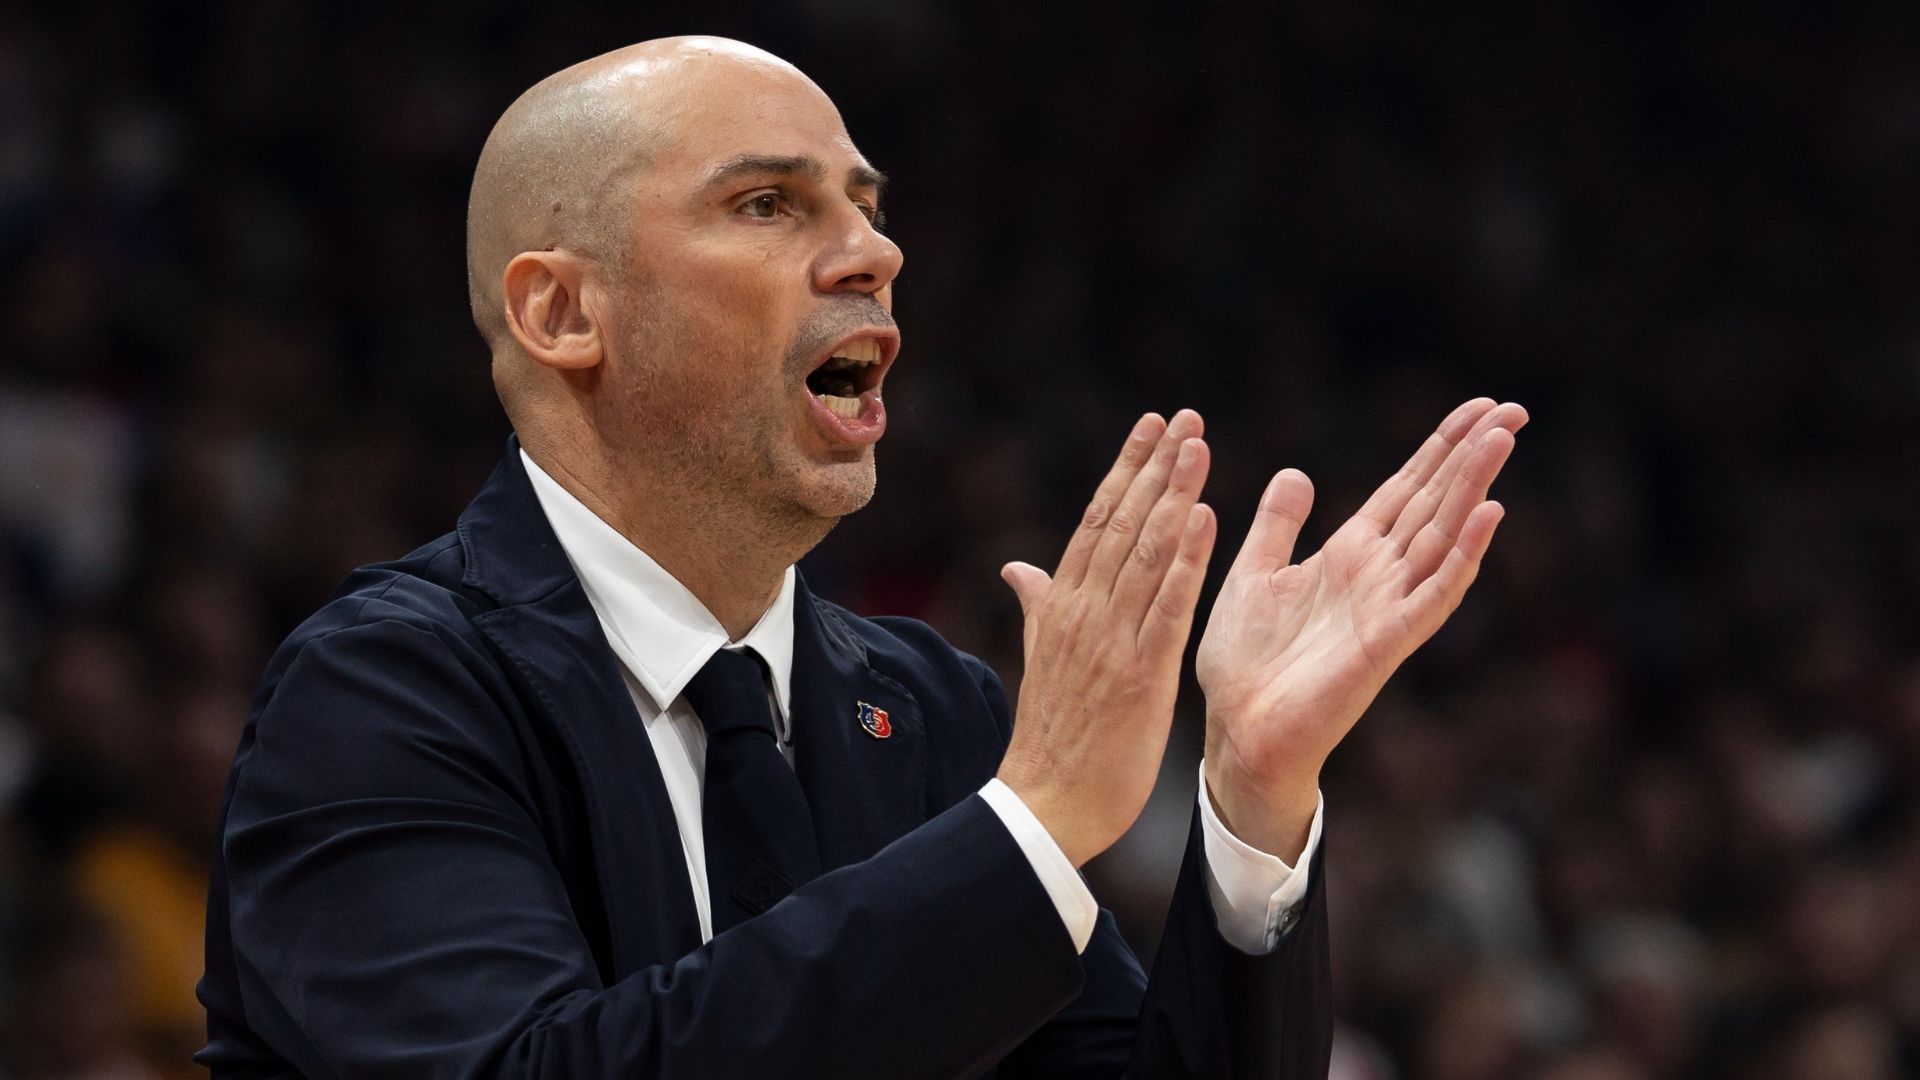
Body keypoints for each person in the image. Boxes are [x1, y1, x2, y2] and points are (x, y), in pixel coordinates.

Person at [196, 35, 1525, 1078]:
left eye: (869, 207)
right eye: (768, 203)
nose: (876, 252)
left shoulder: (932, 713)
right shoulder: (381, 694)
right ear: (563, 310)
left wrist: (1251, 800)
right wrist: (1033, 826)